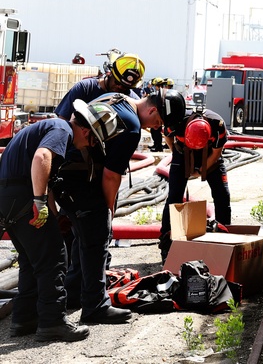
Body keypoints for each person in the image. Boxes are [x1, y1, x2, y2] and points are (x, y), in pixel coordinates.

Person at [54, 89, 184, 324]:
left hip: (66, 174)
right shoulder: (132, 126)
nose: (156, 128)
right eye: (158, 122)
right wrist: (108, 211)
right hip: (79, 180)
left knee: (79, 237)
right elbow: (111, 176)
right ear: (152, 109)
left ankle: (72, 295)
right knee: (96, 238)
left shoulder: (116, 98)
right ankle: (95, 307)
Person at [0, 102, 121, 342]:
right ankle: (53, 322)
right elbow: (41, 157)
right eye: (94, 141)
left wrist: (53, 214)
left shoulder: (48, 128)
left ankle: (25, 318)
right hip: (23, 198)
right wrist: (39, 203)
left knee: (30, 258)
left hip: (9, 199)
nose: (89, 146)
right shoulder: (62, 129)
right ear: (86, 131)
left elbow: (47, 176)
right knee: (55, 257)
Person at [158, 104, 231, 260]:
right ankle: (166, 243)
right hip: (182, 152)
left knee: (223, 196)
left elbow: (216, 154)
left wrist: (200, 170)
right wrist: (179, 155)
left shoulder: (218, 125)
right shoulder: (176, 121)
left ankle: (226, 241)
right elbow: (168, 138)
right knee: (174, 198)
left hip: (210, 155)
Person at [54, 53, 146, 119]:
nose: (120, 88)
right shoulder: (85, 88)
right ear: (110, 73)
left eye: (126, 88)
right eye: (117, 83)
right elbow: (63, 120)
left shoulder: (132, 100)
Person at [144, 77, 174, 152]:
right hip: (159, 115)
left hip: (159, 115)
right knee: (154, 131)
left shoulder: (162, 93)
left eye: (155, 85)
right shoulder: (162, 93)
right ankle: (156, 145)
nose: (155, 87)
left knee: (156, 131)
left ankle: (158, 147)